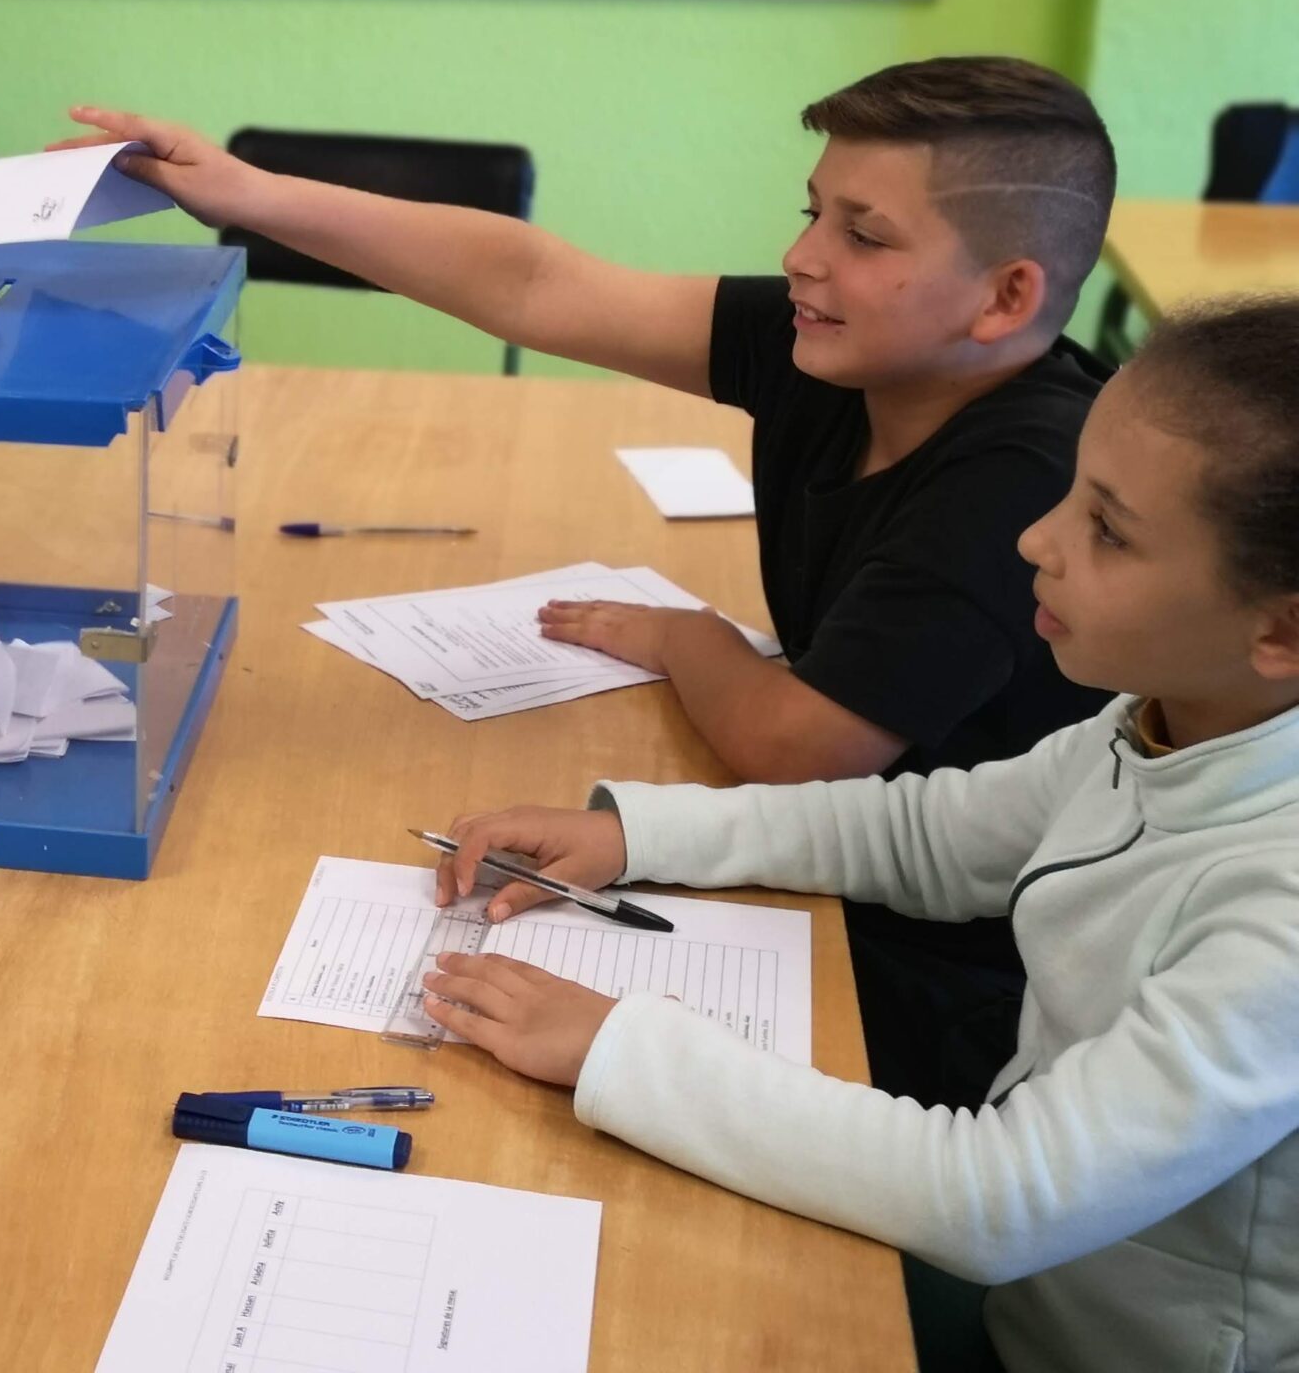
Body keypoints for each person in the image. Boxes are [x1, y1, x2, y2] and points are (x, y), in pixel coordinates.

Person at [60, 61, 1115, 1107]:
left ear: (1004, 296)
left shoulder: (1023, 472)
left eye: (864, 236)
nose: (801, 258)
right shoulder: (854, 350)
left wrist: (688, 639)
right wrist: (245, 193)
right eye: (812, 215)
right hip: (817, 873)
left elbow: (799, 747)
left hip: (948, 981)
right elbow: (536, 285)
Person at [422, 294, 1299, 1373]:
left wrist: (618, 1047)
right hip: (1043, 1295)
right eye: (1071, 492)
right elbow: (928, 836)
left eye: (1107, 530)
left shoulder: (1281, 910)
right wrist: (636, 833)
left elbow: (997, 1199)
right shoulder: (1168, 717)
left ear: (1281, 630)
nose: (1036, 539)